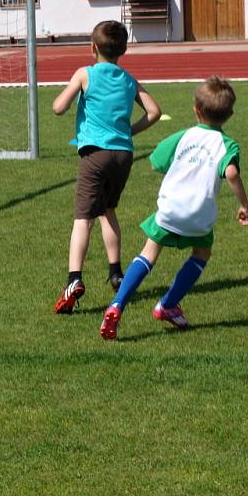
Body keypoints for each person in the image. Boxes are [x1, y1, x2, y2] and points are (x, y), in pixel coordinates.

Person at [100, 75, 248, 340]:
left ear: (196, 110)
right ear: (230, 115)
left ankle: (117, 304)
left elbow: (157, 160)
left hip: (171, 208)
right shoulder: (227, 145)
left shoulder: (183, 136)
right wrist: (243, 205)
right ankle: (168, 305)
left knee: (149, 253)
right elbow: (231, 173)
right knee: (202, 253)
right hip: (199, 214)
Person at [52, 20, 162, 314]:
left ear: (92, 47)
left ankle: (74, 279)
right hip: (123, 155)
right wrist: (129, 132)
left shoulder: (84, 74)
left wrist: (72, 94)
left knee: (82, 219)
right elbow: (154, 112)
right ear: (123, 50)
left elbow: (58, 107)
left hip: (95, 154)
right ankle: (116, 272)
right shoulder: (128, 79)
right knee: (108, 210)